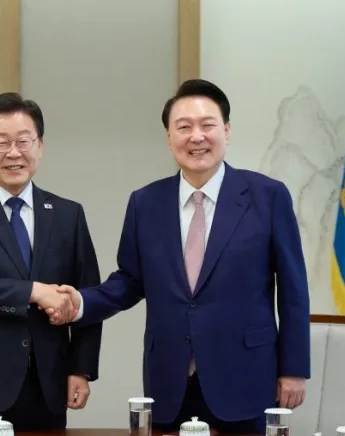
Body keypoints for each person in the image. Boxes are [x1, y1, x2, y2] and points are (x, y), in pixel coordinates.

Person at [48, 79, 311, 434]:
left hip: (246, 376)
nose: (196, 137)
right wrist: (80, 303)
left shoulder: (268, 197)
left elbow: (294, 291)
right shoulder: (145, 203)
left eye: (207, 125)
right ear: (169, 138)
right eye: (184, 127)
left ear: (227, 131)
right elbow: (130, 281)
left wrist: (294, 369)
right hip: (170, 379)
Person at [0, 93, 103, 432]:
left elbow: (87, 297)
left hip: (48, 384)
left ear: (40, 146)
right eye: (2, 142)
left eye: (24, 141)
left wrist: (80, 369)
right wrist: (34, 292)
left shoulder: (68, 214)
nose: (14, 153)